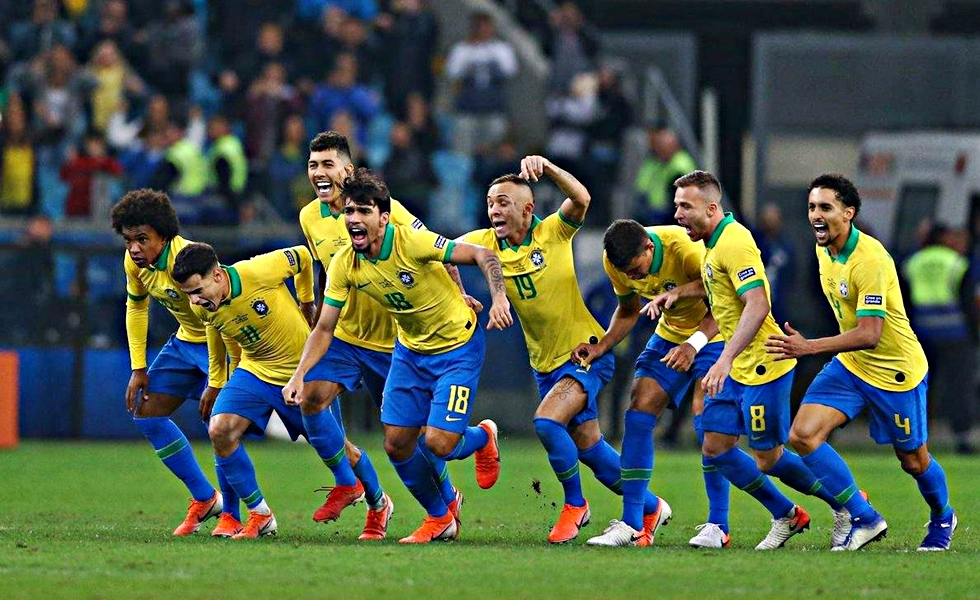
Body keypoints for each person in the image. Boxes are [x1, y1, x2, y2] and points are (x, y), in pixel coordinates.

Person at [283, 168, 512, 544]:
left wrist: (498, 297)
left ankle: (482, 437)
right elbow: (324, 328)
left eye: (364, 211)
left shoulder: (413, 242)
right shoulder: (345, 263)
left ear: (383, 218)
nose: (354, 219)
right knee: (397, 442)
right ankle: (439, 517)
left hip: (457, 347)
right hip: (409, 352)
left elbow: (482, 254)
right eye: (349, 211)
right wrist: (299, 375)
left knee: (438, 443)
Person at [460, 157, 669, 545]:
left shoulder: (553, 232)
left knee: (546, 422)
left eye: (503, 202)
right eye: (490, 203)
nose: (494, 210)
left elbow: (581, 198)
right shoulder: (483, 242)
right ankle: (652, 507)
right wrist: (462, 295)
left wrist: (549, 168)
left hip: (584, 353)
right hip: (544, 364)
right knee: (590, 449)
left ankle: (576, 504)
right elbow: (438, 254)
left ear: (528, 209)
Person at [660, 170, 849, 550]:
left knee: (769, 458)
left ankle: (849, 506)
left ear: (711, 208)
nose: (678, 214)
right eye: (677, 205)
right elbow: (720, 290)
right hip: (737, 365)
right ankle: (786, 514)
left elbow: (758, 304)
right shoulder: (712, 244)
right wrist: (681, 292)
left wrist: (724, 359)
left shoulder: (734, 242)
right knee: (715, 446)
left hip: (763, 364)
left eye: (686, 206)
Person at [767, 173, 957, 551]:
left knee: (913, 461)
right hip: (852, 365)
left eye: (825, 207)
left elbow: (870, 333)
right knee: (802, 435)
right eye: (811, 207)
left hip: (895, 371)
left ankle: (943, 516)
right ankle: (863, 516)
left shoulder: (870, 259)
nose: (816, 215)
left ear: (848, 213)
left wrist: (809, 347)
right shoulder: (823, 249)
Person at [297, 130, 441, 540]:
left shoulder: (383, 209)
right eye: (313, 165)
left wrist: (461, 294)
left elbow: (433, 249)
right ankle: (367, 495)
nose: (319, 173)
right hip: (344, 335)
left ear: (348, 170)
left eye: (328, 164)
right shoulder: (309, 217)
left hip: (393, 342)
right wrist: (313, 308)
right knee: (310, 399)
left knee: (413, 436)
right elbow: (323, 266)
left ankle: (446, 500)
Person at [573, 218, 731, 548]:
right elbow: (628, 310)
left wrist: (693, 345)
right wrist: (602, 345)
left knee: (709, 423)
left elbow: (725, 299)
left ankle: (719, 524)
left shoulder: (686, 250)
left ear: (649, 246)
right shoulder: (615, 261)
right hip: (671, 333)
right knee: (638, 409)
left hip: (716, 333)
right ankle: (633, 524)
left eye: (636, 270)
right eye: (627, 273)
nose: (633, 278)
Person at [110, 189, 239, 538]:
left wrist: (217, 380)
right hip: (185, 344)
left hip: (221, 343)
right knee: (146, 413)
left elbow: (218, 317)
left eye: (142, 239)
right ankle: (205, 498)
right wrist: (139, 368)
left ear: (164, 235)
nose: (134, 248)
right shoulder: (135, 264)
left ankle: (235, 514)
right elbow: (137, 307)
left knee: (224, 427)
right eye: (128, 240)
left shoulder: (191, 259)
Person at [171, 242, 316, 539]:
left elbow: (303, 255)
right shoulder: (201, 306)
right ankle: (257, 514)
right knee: (220, 429)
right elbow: (218, 331)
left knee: (333, 445)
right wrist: (217, 381)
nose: (194, 300)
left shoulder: (257, 271)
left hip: (301, 368)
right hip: (255, 370)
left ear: (217, 276)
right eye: (188, 294)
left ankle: (377, 500)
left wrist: (306, 303)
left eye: (197, 291)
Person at [902, 224, 976, 455]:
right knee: (958, 387)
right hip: (955, 335)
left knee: (919, 388)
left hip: (921, 335)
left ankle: (916, 437)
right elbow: (968, 303)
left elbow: (903, 303)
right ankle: (962, 438)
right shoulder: (957, 263)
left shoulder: (912, 263)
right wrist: (975, 335)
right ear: (944, 239)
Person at [634, 124, 697, 225]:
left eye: (662, 148)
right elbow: (643, 186)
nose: (659, 151)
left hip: (671, 217)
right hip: (655, 212)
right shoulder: (659, 162)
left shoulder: (679, 166)